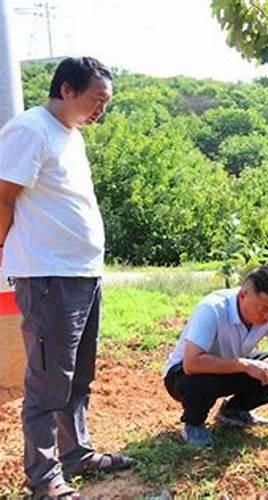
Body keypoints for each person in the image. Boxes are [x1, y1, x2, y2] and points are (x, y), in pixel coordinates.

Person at [0, 57, 134, 497]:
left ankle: (75, 453)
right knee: (47, 382)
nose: (102, 110)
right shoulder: (30, 129)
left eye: (106, 102)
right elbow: (2, 197)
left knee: (78, 375)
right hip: (48, 277)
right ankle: (44, 476)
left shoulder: (69, 136)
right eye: (97, 100)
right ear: (67, 90)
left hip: (82, 275)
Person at [164, 266, 268, 448]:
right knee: (200, 382)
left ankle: (234, 411)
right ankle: (194, 424)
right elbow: (191, 363)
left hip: (233, 367)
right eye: (263, 309)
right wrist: (246, 366)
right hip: (185, 375)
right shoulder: (212, 309)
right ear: (243, 296)